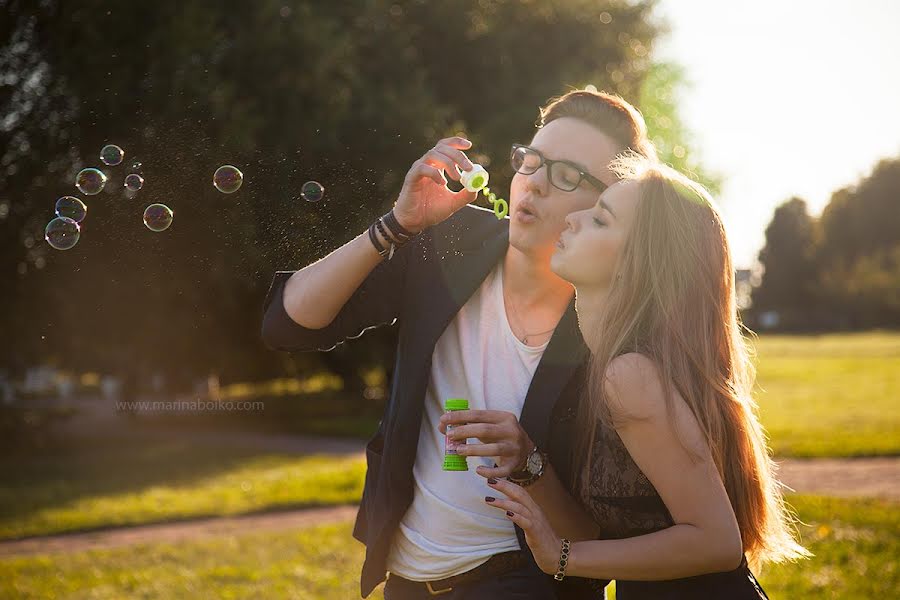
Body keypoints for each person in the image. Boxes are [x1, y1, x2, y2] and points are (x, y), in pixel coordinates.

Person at [261, 89, 656, 599]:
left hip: (524, 584)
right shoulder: (451, 243)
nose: (534, 183)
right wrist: (396, 226)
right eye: (531, 161)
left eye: (566, 175)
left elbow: (592, 545)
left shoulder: (612, 336)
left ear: (608, 204)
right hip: (405, 577)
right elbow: (288, 324)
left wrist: (530, 462)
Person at [463, 154, 808, 598]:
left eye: (601, 220)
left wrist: (561, 556)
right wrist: (530, 464)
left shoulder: (631, 376)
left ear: (635, 263)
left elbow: (717, 542)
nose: (574, 217)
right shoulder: (617, 364)